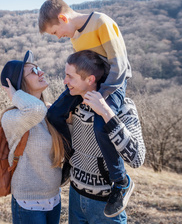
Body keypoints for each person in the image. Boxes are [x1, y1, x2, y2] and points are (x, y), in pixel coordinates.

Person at [39, 0, 133, 217]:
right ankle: (72, 161)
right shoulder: (76, 35)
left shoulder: (101, 22)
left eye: (55, 32)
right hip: (88, 82)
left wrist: (99, 99)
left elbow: (119, 67)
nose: (58, 37)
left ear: (63, 18)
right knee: (54, 115)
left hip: (113, 83)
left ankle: (120, 182)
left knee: (101, 124)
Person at [62, 50, 145, 223]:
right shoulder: (75, 102)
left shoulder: (124, 108)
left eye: (70, 76)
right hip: (75, 197)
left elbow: (137, 159)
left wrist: (107, 114)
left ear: (90, 79)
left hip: (106, 205)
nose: (65, 81)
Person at [0, 50, 65, 224]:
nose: (41, 72)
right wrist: (14, 95)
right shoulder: (11, 118)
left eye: (39, 68)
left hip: (54, 198)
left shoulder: (49, 113)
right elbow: (35, 110)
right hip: (28, 204)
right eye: (33, 71)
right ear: (20, 84)